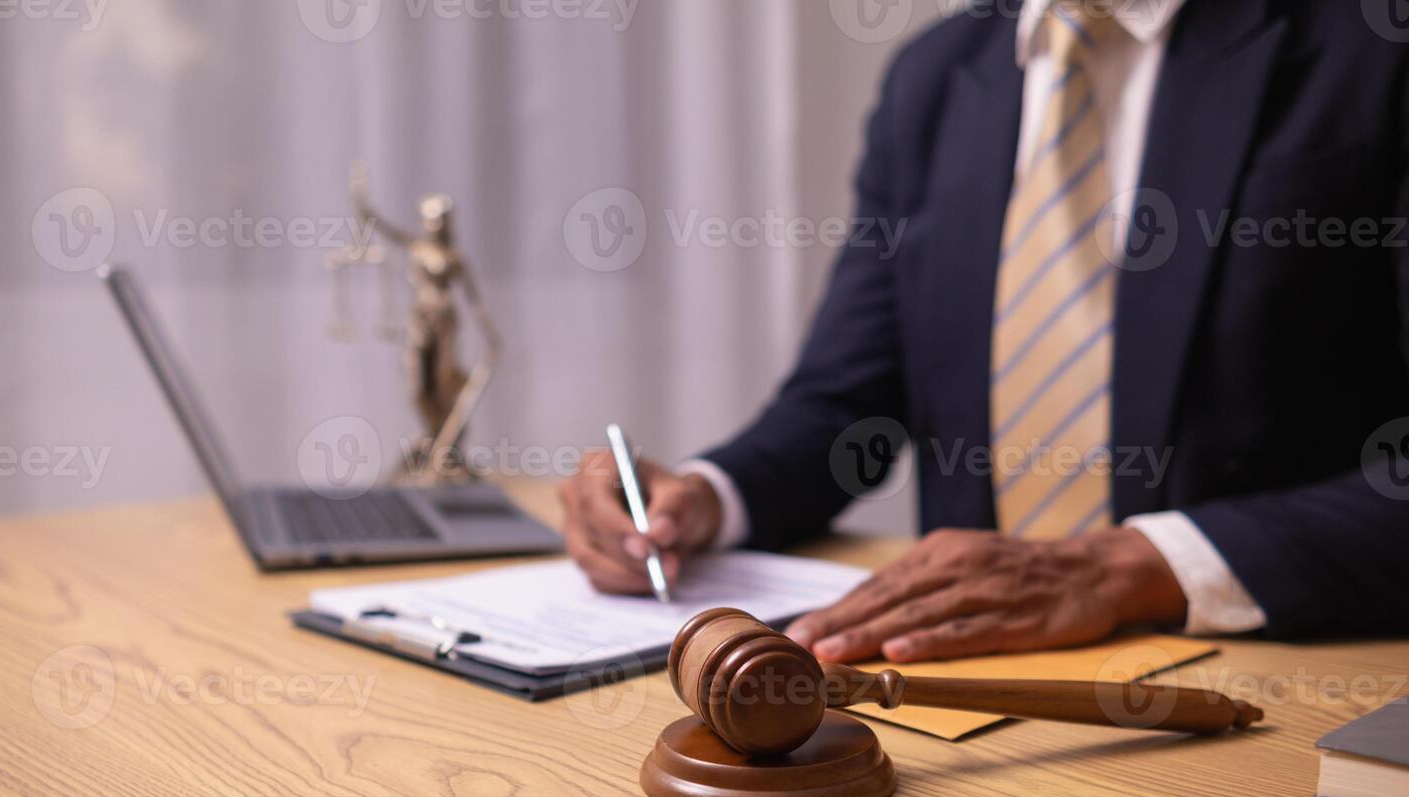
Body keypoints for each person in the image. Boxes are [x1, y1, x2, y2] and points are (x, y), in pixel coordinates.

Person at [559, 0, 1409, 663]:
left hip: (1271, 689)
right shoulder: (932, 80)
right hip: (961, 694)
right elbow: (844, 404)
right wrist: (700, 501)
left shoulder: (1373, 48)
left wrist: (1128, 568)